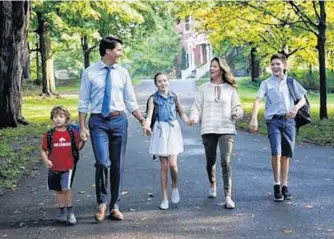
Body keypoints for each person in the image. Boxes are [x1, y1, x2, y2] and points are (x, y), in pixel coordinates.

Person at [78, 36, 146, 222]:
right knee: (102, 162)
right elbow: (83, 102)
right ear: (108, 51)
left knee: (117, 165)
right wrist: (82, 127)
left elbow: (130, 101)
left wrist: (142, 120)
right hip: (98, 121)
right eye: (118, 50)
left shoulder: (123, 73)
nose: (120, 53)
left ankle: (114, 205)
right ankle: (102, 202)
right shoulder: (89, 72)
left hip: (118, 122)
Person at [248, 53, 307, 202]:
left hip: (289, 122)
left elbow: (302, 99)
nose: (275, 66)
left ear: (284, 65)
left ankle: (285, 186)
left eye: (278, 64)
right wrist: (254, 118)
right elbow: (258, 100)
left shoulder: (291, 82)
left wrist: (295, 108)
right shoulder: (266, 84)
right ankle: (276, 185)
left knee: (286, 154)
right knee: (276, 153)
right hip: (273, 122)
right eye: (273, 64)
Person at [189, 57, 243, 209]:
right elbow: (197, 107)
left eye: (214, 66)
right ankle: (212, 183)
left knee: (226, 162)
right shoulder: (203, 88)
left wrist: (237, 112)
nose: (211, 69)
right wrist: (194, 117)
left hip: (226, 128)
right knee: (210, 161)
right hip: (208, 128)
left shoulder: (230, 89)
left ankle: (227, 196)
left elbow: (237, 106)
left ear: (222, 69)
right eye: (211, 66)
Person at [143, 72, 190, 210]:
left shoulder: (174, 97)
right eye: (159, 81)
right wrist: (146, 125)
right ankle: (164, 198)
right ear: (156, 84)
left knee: (173, 165)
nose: (163, 83)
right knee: (163, 165)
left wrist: (188, 121)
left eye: (164, 80)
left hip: (173, 129)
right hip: (160, 130)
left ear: (168, 81)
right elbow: (149, 116)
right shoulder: (153, 99)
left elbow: (181, 113)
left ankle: (174, 186)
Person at [40, 105, 85, 225]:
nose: (58, 119)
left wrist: (83, 140)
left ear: (66, 118)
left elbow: (77, 147)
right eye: (55, 116)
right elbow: (43, 150)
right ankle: (62, 211)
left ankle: (70, 212)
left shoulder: (71, 133)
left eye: (61, 116)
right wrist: (46, 160)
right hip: (54, 167)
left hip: (67, 166)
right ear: (52, 118)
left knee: (66, 188)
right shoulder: (49, 134)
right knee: (58, 190)